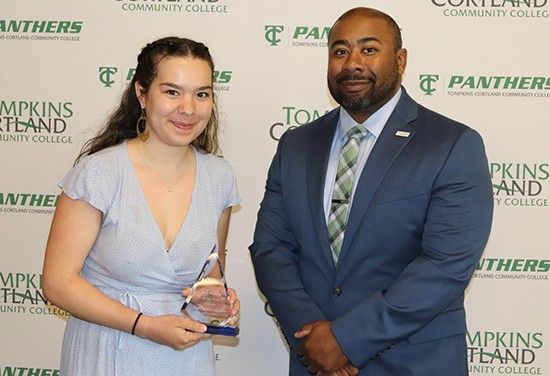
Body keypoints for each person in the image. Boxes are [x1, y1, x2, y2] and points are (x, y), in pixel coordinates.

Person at [249, 7, 493, 376]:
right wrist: (315, 340)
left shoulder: (452, 145)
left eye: (369, 49)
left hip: (414, 363)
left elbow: (445, 265)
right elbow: (271, 248)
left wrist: (346, 340)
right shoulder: (296, 144)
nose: (352, 63)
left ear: (400, 60)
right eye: (340, 51)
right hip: (315, 361)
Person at [42, 36, 240, 376]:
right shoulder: (99, 172)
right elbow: (57, 283)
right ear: (142, 94)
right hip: (106, 353)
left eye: (201, 94)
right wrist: (144, 325)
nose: (188, 108)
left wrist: (215, 301)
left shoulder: (220, 177)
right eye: (172, 91)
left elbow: (210, 272)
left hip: (186, 358)